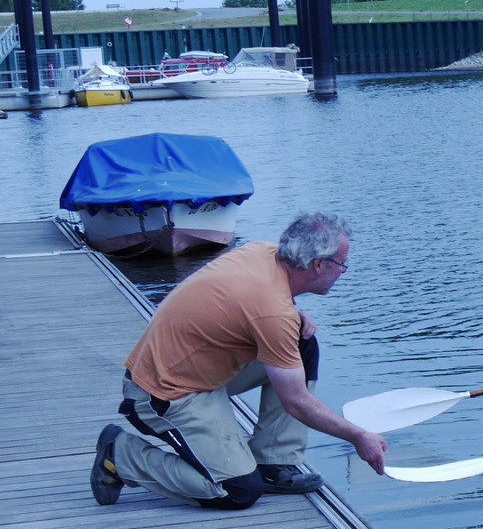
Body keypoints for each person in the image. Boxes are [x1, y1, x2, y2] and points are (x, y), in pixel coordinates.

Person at [90, 212, 388, 510]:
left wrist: (291, 319)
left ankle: (273, 461)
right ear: (318, 264)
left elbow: (247, 305)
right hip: (163, 394)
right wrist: (358, 436)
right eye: (341, 264)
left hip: (197, 372)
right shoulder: (272, 312)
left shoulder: (261, 252)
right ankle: (122, 454)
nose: (344, 271)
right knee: (237, 490)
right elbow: (295, 402)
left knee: (302, 342)